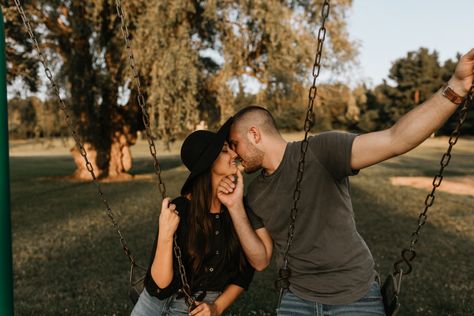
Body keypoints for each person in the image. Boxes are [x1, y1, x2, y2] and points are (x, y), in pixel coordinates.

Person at [216, 48, 474, 315]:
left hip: (354, 293)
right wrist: (235, 207)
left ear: (255, 134)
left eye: (234, 144)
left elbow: (395, 139)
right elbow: (260, 261)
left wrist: (456, 85)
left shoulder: (321, 151)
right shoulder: (255, 194)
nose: (233, 154)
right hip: (297, 298)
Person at [131, 119, 254, 316]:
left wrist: (217, 307)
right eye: (225, 150)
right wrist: (165, 235)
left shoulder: (236, 209)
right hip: (151, 307)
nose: (234, 154)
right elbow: (159, 288)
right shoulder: (179, 209)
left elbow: (245, 273)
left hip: (197, 310)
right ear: (208, 163)